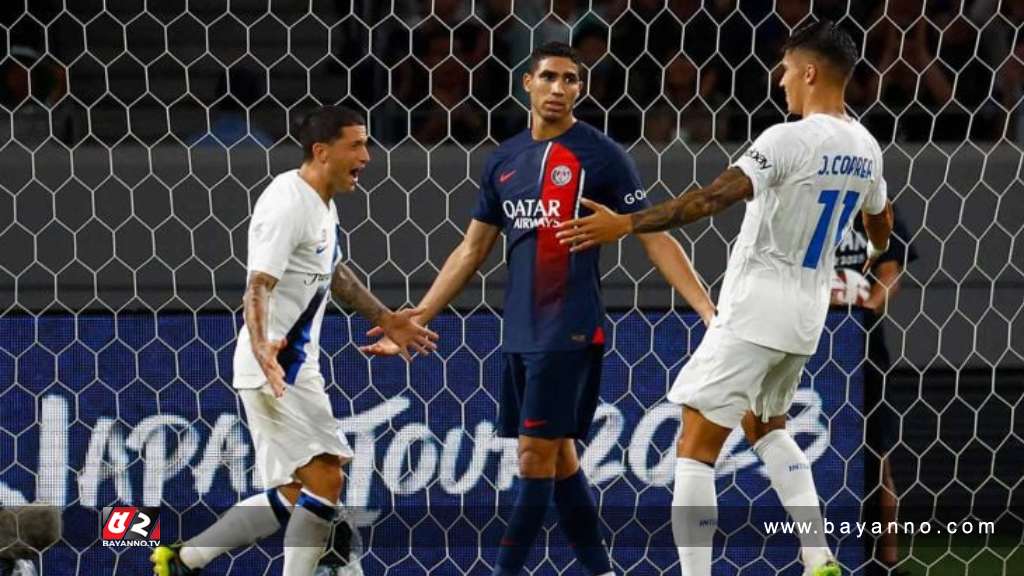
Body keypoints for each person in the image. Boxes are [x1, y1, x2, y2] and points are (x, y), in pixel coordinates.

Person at [555, 21, 895, 576]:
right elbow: (880, 224)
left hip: (757, 307)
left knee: (695, 443)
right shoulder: (865, 147)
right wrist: (862, 244)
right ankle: (818, 557)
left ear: (810, 72)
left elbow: (712, 198)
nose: (781, 80)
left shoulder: (786, 139)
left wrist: (627, 223)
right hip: (807, 314)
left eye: (787, 69)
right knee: (767, 427)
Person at [362, 42, 715, 576]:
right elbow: (472, 249)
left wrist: (708, 312)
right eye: (548, 76)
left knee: (532, 457)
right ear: (527, 83)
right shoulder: (504, 160)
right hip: (520, 331)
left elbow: (654, 236)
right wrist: (419, 317)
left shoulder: (601, 155)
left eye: (570, 79)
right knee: (560, 457)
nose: (558, 88)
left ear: (581, 89)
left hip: (568, 328)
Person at [150, 105, 438, 576]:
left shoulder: (321, 203)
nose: (366, 156)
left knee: (297, 491)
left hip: (294, 368)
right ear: (322, 151)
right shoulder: (286, 202)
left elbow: (335, 272)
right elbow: (257, 285)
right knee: (325, 479)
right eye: (356, 145)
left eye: (366, 144)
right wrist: (262, 346)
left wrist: (386, 318)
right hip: (274, 367)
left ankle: (182, 559)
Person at [832, 210, 917, 576]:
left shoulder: (878, 207)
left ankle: (887, 563)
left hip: (862, 349)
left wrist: (862, 311)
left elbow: (890, 271)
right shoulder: (808, 205)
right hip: (806, 343)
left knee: (877, 456)